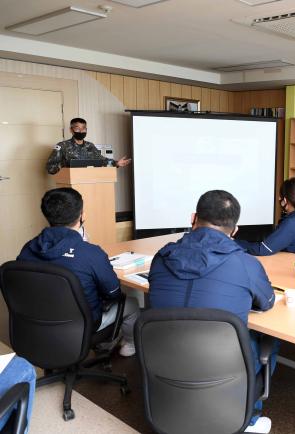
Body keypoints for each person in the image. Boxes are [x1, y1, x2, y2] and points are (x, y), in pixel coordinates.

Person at [148, 190, 276, 434]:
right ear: (235, 230)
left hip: (163, 359)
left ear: (193, 217)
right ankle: (248, 419)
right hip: (223, 367)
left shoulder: (161, 257)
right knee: (271, 339)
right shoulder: (246, 264)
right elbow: (267, 302)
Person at [17, 188, 139, 357]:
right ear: (81, 215)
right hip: (82, 326)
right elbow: (114, 293)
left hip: (37, 323)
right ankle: (129, 347)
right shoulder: (90, 253)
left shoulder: (28, 248)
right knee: (131, 303)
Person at [236, 178, 295, 256]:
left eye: (280, 196)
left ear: (285, 200)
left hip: (280, 259)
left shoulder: (292, 223)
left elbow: (263, 250)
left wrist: (233, 243)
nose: (279, 198)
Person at [46, 117, 131, 175]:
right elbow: (50, 168)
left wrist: (116, 163)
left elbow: (102, 160)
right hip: (70, 187)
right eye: (77, 128)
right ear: (71, 130)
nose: (81, 131)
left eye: (83, 128)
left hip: (89, 183)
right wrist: (67, 166)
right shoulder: (62, 146)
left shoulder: (90, 145)